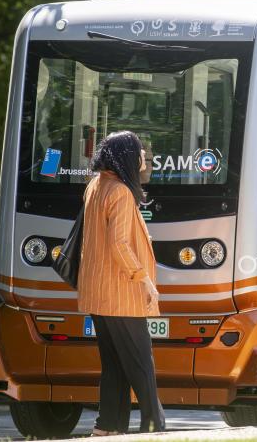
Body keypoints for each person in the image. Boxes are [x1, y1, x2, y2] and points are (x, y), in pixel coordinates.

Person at [77, 131, 166, 435]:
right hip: (121, 292)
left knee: (114, 364)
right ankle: (154, 426)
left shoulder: (95, 186)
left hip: (98, 291)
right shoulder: (120, 192)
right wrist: (144, 279)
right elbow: (119, 244)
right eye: (140, 151)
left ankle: (107, 426)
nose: (144, 156)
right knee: (141, 364)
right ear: (128, 156)